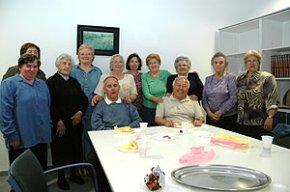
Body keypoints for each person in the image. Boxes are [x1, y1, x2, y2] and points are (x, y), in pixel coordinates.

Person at [0, 54, 51, 171]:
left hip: (41, 137)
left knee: (39, 170)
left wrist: (49, 127)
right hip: (21, 139)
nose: (32, 69)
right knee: (21, 173)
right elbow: (5, 113)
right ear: (20, 67)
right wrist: (12, 135)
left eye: (35, 66)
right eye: (28, 66)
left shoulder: (42, 85)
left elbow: (47, 108)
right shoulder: (9, 84)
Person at [46, 54, 88, 190]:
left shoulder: (74, 82)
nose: (66, 66)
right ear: (58, 65)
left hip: (75, 124)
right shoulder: (51, 82)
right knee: (60, 151)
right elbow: (50, 104)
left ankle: (74, 174)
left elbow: (84, 100)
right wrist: (58, 121)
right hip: (60, 125)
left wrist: (80, 113)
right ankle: (61, 177)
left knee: (75, 149)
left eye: (69, 64)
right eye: (63, 63)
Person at [236, 50, 279, 140]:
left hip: (259, 122)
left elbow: (272, 99)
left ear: (259, 63)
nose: (252, 63)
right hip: (241, 122)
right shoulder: (240, 79)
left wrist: (270, 117)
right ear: (246, 63)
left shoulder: (267, 78)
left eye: (254, 60)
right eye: (249, 61)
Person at [70, 44, 102, 161]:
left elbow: (102, 89)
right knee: (76, 138)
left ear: (93, 57)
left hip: (93, 110)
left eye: (89, 54)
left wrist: (99, 95)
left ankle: (89, 163)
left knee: (90, 137)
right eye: (82, 54)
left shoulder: (98, 72)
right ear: (78, 56)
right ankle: (79, 163)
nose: (85, 56)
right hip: (75, 111)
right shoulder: (72, 70)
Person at [202, 52, 237, 132]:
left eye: (221, 62)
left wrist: (220, 112)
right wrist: (209, 113)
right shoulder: (208, 79)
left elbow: (233, 98)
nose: (218, 64)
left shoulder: (231, 78)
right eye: (215, 62)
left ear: (225, 64)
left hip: (227, 118)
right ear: (213, 65)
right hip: (210, 118)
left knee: (226, 142)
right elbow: (204, 99)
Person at [142, 53, 171, 126]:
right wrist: (157, 100)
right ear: (148, 66)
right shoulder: (144, 76)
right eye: (150, 63)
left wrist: (169, 92)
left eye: (155, 62)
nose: (153, 65)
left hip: (164, 108)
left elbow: (175, 82)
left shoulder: (166, 73)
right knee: (151, 131)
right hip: (149, 109)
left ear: (159, 63)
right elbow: (146, 93)